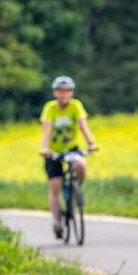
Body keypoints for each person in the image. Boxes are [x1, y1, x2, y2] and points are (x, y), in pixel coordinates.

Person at [40, 75, 98, 239]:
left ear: (71, 93)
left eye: (66, 91)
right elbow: (47, 130)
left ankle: (75, 191)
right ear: (55, 93)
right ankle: (57, 222)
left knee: (81, 166)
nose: (63, 95)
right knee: (55, 186)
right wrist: (44, 148)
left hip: (71, 148)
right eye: (60, 91)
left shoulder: (76, 106)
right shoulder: (50, 108)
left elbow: (83, 125)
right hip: (53, 151)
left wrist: (91, 143)